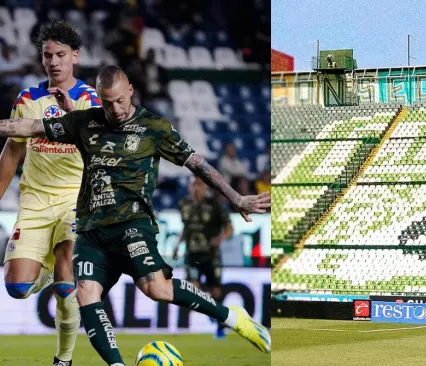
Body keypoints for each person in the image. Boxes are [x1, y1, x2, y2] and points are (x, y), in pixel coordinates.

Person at [0, 65, 271, 365]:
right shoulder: (84, 123)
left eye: (119, 100)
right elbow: (27, 128)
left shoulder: (154, 127)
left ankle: (235, 319)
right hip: (91, 230)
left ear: (130, 91)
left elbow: (198, 164)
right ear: (98, 99)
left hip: (132, 225)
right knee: (85, 293)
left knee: (156, 288)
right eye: (106, 102)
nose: (114, 108)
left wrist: (236, 198)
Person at [0, 20, 100, 366]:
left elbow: (99, 151)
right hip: (34, 203)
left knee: (66, 276)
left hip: (75, 199)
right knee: (16, 288)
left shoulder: (90, 99)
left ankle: (64, 359)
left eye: (60, 54)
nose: (54, 61)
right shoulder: (28, 99)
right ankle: (46, 274)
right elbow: (12, 153)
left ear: (75, 56)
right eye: (47, 55)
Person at [174, 176, 233, 339]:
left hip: (211, 255)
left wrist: (220, 239)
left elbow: (229, 227)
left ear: (205, 188)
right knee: (193, 289)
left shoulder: (215, 205)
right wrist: (177, 245)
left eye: (199, 184)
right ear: (189, 187)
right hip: (192, 254)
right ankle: (211, 312)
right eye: (193, 184)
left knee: (215, 291)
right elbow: (186, 227)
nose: (196, 188)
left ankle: (220, 325)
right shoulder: (184, 205)